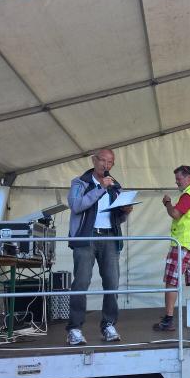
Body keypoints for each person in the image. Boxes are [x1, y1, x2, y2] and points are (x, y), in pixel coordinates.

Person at [66, 148, 132, 345]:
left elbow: (117, 218)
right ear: (94, 160)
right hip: (86, 237)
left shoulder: (115, 186)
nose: (106, 165)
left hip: (110, 236)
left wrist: (125, 211)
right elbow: (76, 205)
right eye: (102, 160)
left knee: (112, 282)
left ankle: (109, 325)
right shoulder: (80, 183)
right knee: (81, 282)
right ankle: (74, 328)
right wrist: (100, 188)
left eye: (110, 162)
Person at [154, 166, 190, 331]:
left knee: (171, 281)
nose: (177, 182)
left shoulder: (189, 194)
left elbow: (175, 213)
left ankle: (168, 319)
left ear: (188, 178)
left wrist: (167, 204)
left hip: (183, 245)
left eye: (178, 179)